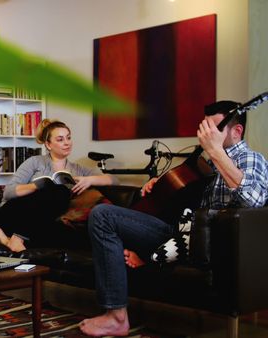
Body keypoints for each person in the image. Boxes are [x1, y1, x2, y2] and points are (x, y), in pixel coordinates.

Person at [80, 100, 268, 337]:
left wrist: (217, 152)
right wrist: (159, 186)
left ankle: (117, 316)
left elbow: (253, 200)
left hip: (208, 244)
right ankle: (144, 264)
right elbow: (180, 200)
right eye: (205, 128)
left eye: (214, 129)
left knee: (102, 215)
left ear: (236, 131)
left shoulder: (249, 159)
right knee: (103, 215)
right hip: (178, 232)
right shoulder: (203, 163)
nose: (207, 136)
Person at [0, 119, 118, 252]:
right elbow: (8, 192)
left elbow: (113, 180)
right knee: (60, 191)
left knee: (72, 236)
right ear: (48, 144)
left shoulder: (78, 169)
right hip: (14, 214)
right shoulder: (34, 162)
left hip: (43, 221)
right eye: (60, 139)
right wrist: (37, 186)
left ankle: (6, 239)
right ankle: (17, 237)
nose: (67, 142)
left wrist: (90, 180)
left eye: (68, 138)